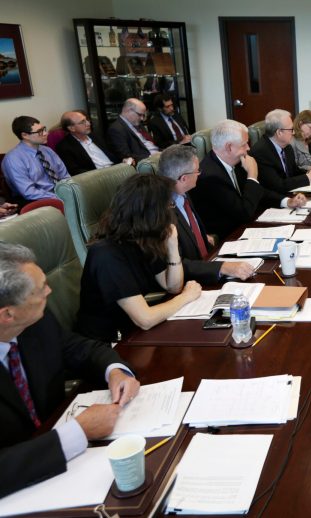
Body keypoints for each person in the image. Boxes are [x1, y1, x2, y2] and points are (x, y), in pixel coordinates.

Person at [0, 242, 140, 498]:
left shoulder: (33, 321)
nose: (49, 290)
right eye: (40, 289)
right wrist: (78, 432)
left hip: (71, 466)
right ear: (7, 314)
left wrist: (115, 371)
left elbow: (77, 348)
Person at [76, 174, 202, 342]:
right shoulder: (106, 254)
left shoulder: (143, 239)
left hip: (132, 330)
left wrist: (172, 246)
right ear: (151, 213)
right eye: (168, 205)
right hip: (108, 343)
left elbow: (172, 286)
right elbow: (145, 319)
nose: (170, 211)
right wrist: (186, 297)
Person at [190, 119, 306, 239]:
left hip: (246, 226)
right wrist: (252, 176)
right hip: (228, 237)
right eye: (244, 144)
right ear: (229, 147)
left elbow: (259, 192)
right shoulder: (211, 176)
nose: (248, 148)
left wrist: (287, 201)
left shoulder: (235, 161)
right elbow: (244, 212)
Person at [157, 145, 257, 283]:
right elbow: (174, 263)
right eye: (197, 171)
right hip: (190, 282)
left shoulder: (183, 193)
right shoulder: (160, 211)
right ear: (184, 178)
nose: (200, 174)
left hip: (207, 263)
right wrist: (222, 267)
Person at [250, 109, 311, 194]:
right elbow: (278, 185)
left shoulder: (287, 148)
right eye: (291, 130)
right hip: (273, 202)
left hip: (289, 195)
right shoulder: (261, 152)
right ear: (279, 132)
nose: (293, 132)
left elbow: (295, 172)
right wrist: (309, 177)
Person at [1, 116, 70, 202]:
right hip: (36, 201)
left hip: (60, 194)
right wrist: (60, 198)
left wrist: (71, 191)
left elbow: (65, 176)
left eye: (44, 129)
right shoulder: (13, 159)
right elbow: (29, 193)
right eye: (40, 132)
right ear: (25, 135)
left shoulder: (47, 150)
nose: (46, 133)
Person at [55, 110, 124, 175]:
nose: (88, 123)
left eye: (87, 120)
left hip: (116, 169)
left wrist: (125, 159)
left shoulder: (95, 136)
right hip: (97, 178)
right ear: (72, 128)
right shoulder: (64, 147)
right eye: (82, 122)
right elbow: (75, 171)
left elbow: (113, 153)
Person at [107, 98, 161, 163]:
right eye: (140, 115)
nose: (142, 118)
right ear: (129, 111)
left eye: (143, 115)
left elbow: (149, 143)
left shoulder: (136, 123)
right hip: (147, 162)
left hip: (158, 154)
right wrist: (151, 156)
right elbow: (125, 156)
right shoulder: (116, 129)